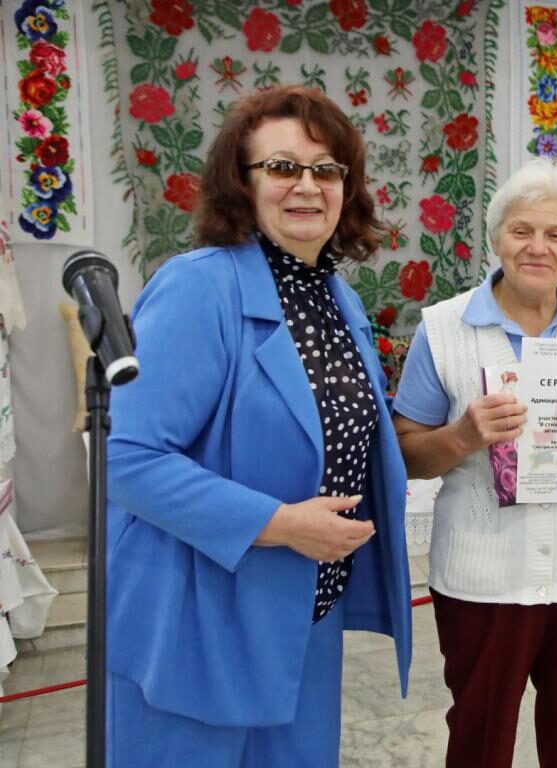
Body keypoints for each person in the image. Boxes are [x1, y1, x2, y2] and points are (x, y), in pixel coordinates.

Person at [105, 85, 412, 767]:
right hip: (200, 616)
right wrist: (281, 524)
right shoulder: (199, 286)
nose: (307, 185)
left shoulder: (338, 299)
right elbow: (125, 457)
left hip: (306, 610)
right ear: (240, 184)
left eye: (326, 170)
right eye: (282, 167)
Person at [392, 159, 557, 768]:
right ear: (496, 238)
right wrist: (461, 436)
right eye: (521, 230)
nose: (538, 247)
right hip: (483, 579)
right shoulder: (444, 329)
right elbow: (406, 454)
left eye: (556, 234)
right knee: (479, 740)